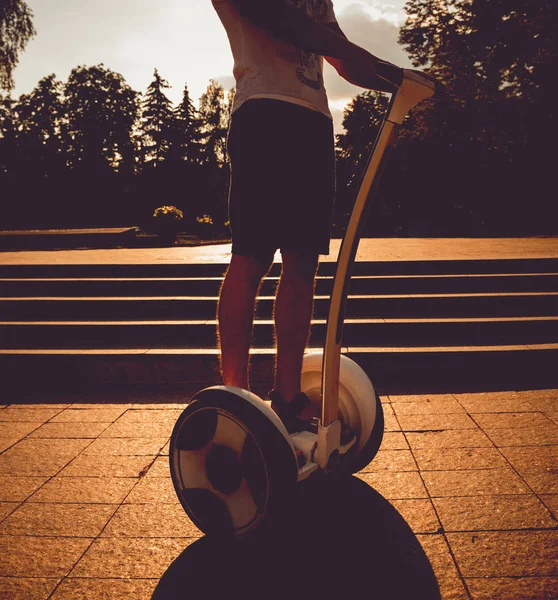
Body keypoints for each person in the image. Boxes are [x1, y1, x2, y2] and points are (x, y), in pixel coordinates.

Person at [212, 0, 401, 433]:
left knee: (303, 261)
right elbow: (287, 22)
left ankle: (288, 395)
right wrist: (377, 63)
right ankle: (236, 397)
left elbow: (338, 54)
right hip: (264, 112)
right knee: (252, 256)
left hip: (314, 120)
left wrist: (398, 82)